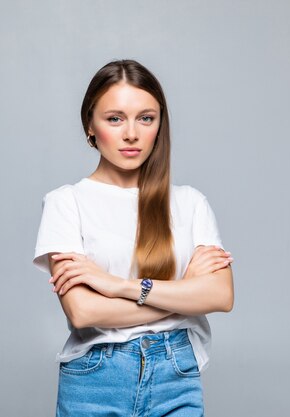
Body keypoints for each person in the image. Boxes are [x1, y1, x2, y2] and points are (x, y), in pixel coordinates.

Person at [32, 59, 234, 417]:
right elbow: (84, 312)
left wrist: (118, 286)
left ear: (160, 125)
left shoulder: (190, 203)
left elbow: (220, 295)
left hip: (176, 374)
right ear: (90, 127)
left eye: (146, 118)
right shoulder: (67, 203)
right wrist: (185, 291)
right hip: (96, 379)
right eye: (114, 118)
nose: (131, 134)